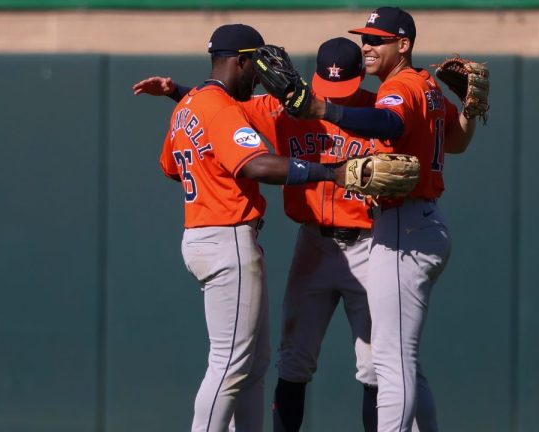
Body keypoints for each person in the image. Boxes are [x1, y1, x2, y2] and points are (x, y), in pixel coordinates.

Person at [134, 37, 440, 432]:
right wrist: (178, 92)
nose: (331, 97)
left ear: (359, 79)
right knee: (291, 360)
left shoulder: (375, 114)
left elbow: (417, 131)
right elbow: (221, 109)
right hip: (313, 243)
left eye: (342, 89)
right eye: (325, 89)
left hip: (368, 243)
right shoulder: (278, 109)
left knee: (377, 368)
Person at [150, 24, 357, 432]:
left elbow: (173, 167)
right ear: (240, 61)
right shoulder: (220, 108)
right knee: (230, 364)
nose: (261, 75)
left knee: (252, 366)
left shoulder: (189, 105)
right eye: (256, 64)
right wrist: (330, 173)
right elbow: (257, 164)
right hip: (227, 238)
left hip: (202, 233)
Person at [284, 6, 481, 432]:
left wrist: (325, 109)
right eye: (365, 38)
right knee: (404, 359)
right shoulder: (427, 85)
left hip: (403, 228)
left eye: (378, 39)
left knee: (391, 362)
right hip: (420, 223)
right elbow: (458, 142)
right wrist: (468, 108)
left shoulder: (402, 87)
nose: (367, 46)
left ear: (403, 44)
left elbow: (388, 121)